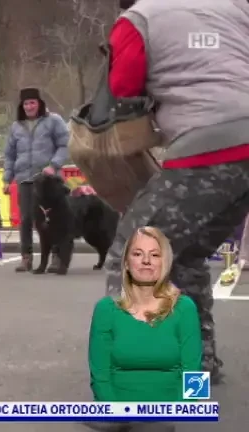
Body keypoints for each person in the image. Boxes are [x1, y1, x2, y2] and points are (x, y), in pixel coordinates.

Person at [102, 0, 249, 383]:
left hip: (210, 144)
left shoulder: (137, 19)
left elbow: (123, 86)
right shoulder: (234, 7)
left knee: (134, 256)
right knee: (185, 254)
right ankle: (198, 366)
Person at [88, 227, 199, 431]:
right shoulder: (106, 310)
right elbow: (100, 375)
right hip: (118, 416)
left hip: (165, 417)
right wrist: (121, 416)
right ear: (127, 263)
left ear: (164, 263)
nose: (146, 261)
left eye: (154, 255)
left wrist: (166, 414)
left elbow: (194, 377)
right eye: (138, 254)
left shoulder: (185, 309)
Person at [2, 88, 69, 273]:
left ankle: (56, 257)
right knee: (25, 219)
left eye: (32, 102)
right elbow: (9, 155)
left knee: (53, 220)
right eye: (25, 103)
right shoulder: (16, 126)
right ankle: (26, 257)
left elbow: (65, 145)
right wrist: (7, 179)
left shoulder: (53, 121)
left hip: (49, 180)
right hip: (25, 179)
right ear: (21, 106)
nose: (29, 106)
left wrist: (54, 165)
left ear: (39, 103)